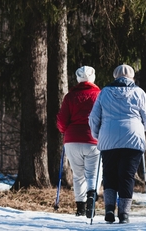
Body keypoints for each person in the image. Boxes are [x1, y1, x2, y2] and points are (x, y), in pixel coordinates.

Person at [88, 64, 146, 224]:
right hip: (133, 139)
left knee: (109, 174)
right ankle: (124, 214)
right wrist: (143, 129)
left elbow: (93, 118)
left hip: (108, 138)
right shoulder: (139, 92)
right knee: (127, 175)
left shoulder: (104, 92)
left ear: (115, 76)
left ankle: (109, 209)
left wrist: (97, 134)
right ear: (132, 77)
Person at [57, 65, 102, 218]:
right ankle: (91, 196)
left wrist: (65, 132)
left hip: (72, 140)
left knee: (78, 175)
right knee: (93, 174)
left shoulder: (70, 96)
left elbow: (62, 120)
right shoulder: (100, 95)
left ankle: (80, 207)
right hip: (93, 139)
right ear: (93, 78)